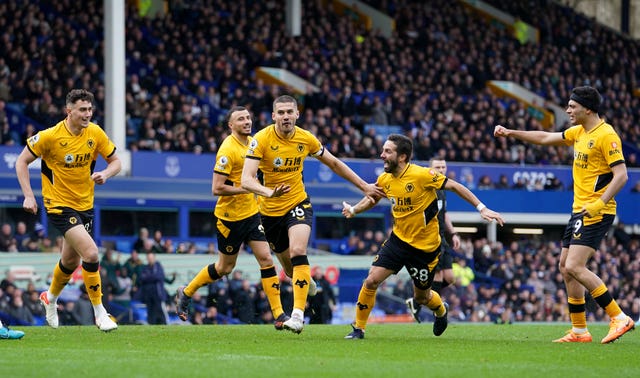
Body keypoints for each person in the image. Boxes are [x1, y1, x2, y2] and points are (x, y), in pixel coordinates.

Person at [494, 85, 634, 344]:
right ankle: (579, 331)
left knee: (574, 266)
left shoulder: (606, 135)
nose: (568, 110)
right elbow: (546, 138)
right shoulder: (580, 131)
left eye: (572, 106)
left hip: (596, 211)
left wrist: (600, 202)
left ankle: (619, 317)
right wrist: (512, 132)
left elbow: (622, 175)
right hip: (579, 209)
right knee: (565, 268)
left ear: (588, 109)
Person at [241, 95, 384, 333]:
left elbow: (335, 163)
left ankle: (297, 316)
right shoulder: (261, 139)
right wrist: (269, 193)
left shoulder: (305, 138)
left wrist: (365, 186)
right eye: (281, 112)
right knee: (289, 269)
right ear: (273, 116)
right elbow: (246, 179)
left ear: (297, 114)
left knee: (299, 251)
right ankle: (306, 282)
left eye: (290, 112)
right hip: (269, 210)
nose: (286, 116)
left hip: (298, 202)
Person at [341, 134, 504, 339]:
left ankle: (441, 311)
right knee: (372, 280)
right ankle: (359, 328)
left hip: (425, 249)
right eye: (383, 150)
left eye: (387, 151)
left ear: (402, 157)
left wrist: (481, 208)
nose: (381, 155)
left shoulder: (422, 175)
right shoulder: (385, 179)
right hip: (398, 241)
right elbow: (373, 197)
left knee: (422, 296)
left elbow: (454, 186)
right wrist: (354, 210)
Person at [15, 89, 120, 332]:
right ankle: (100, 313)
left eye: (90, 110)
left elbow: (116, 161)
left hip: (86, 206)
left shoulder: (95, 132)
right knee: (91, 254)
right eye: (82, 110)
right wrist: (29, 196)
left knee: (70, 261)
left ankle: (49, 299)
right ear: (69, 111)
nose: (87, 114)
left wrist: (105, 173)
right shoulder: (50, 136)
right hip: (59, 206)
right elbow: (21, 161)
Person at [175, 106, 289, 329]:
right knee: (225, 268)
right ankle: (186, 292)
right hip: (229, 219)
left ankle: (279, 314)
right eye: (240, 119)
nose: (247, 121)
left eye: (248, 117)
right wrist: (246, 188)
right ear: (231, 125)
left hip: (252, 215)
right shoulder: (228, 150)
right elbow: (216, 188)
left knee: (266, 259)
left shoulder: (254, 143)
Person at [406, 158, 461, 323]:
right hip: (429, 239)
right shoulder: (426, 187)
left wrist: (454, 233)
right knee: (436, 276)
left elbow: (444, 213)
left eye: (444, 167)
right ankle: (437, 312)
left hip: (443, 237)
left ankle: (417, 300)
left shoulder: (442, 188)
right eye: (438, 167)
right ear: (429, 169)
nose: (442, 170)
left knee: (450, 278)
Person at [138, 252, 173, 324]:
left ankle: (165, 325)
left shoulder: (159, 267)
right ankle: (151, 326)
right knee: (150, 312)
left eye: (151, 258)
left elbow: (159, 276)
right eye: (148, 258)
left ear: (154, 258)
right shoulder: (145, 268)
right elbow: (142, 278)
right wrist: (153, 277)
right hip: (148, 295)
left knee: (160, 311)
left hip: (158, 294)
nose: (150, 260)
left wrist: (148, 277)